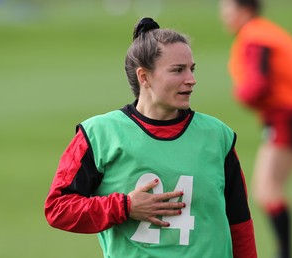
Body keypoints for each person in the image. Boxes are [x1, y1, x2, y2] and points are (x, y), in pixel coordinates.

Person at [44, 17, 257, 258]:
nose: (191, 79)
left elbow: (239, 224)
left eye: (192, 68)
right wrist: (124, 207)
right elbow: (58, 208)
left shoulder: (218, 136)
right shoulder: (99, 134)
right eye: (178, 70)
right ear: (143, 77)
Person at [219, 1, 292, 258]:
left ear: (243, 9)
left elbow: (258, 83)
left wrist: (243, 94)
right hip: (288, 115)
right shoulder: (265, 31)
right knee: (268, 190)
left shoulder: (255, 35)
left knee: (268, 190)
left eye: (226, 7)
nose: (223, 14)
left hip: (285, 116)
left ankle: (285, 253)